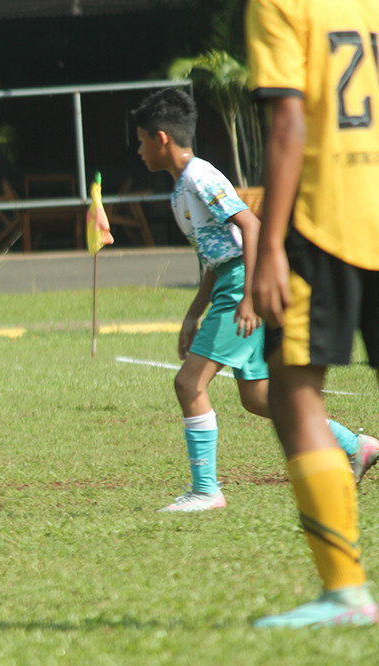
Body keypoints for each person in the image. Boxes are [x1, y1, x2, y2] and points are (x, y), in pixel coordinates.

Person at [131, 88, 377, 513]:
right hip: (230, 280)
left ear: (161, 138)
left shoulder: (199, 177)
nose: (138, 151)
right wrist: (193, 313)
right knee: (260, 396)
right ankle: (357, 447)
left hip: (241, 283)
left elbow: (252, 227)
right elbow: (215, 255)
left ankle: (206, 490)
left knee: (189, 383)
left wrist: (247, 299)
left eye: (140, 140)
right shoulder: (179, 190)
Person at [246, 0, 379, 627]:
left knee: (295, 395)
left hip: (323, 226)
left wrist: (269, 245)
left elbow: (289, 126)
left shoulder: (281, 4)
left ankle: (346, 592)